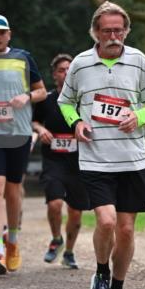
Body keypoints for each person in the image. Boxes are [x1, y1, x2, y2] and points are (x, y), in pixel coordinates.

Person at [58, 1, 145, 289]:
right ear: (95, 32)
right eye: (106, 30)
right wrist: (76, 123)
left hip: (133, 159)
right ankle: (101, 271)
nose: (113, 35)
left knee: (126, 230)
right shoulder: (80, 64)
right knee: (106, 221)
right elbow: (65, 101)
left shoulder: (138, 61)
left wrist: (139, 116)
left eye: (118, 30)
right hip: (95, 158)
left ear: (126, 31)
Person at [0, 14, 46, 275]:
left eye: (1, 32)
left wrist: (26, 97)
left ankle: (12, 241)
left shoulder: (23, 58)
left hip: (18, 132)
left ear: (9, 34)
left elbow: (41, 91)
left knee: (13, 190)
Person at [32, 53, 88, 269]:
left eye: (69, 69)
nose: (66, 73)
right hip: (53, 161)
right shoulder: (46, 99)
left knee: (75, 212)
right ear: (54, 74)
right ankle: (57, 239)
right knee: (55, 203)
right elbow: (34, 122)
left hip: (78, 163)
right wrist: (41, 129)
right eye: (61, 70)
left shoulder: (83, 100)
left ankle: (70, 252)